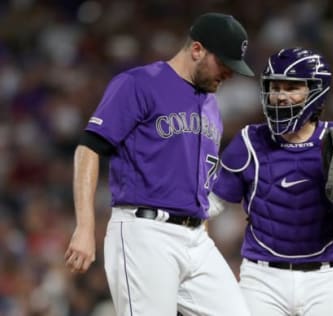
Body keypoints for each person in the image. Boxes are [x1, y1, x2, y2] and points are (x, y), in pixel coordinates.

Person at [64, 12, 254, 316]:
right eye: (225, 64)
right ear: (196, 50)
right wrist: (85, 227)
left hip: (195, 239)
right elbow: (88, 149)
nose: (229, 74)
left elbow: (199, 176)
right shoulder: (139, 83)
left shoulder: (211, 105)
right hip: (145, 233)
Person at [209, 47, 333, 315]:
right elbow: (211, 205)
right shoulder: (249, 141)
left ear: (316, 91)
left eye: (291, 88)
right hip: (261, 278)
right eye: (274, 87)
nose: (280, 96)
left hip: (322, 280)